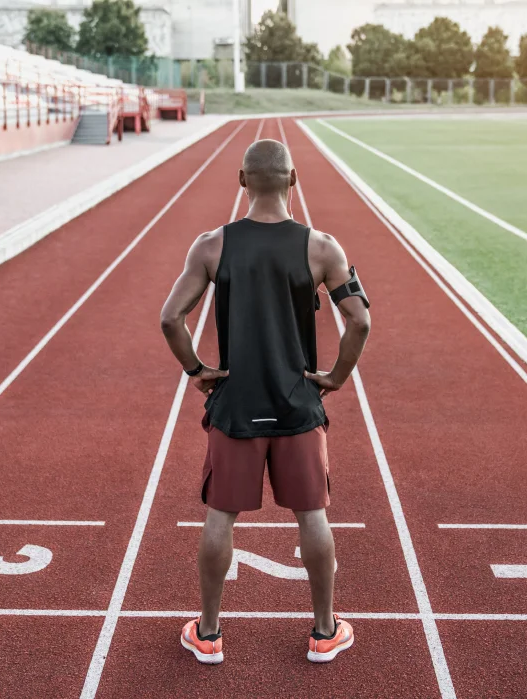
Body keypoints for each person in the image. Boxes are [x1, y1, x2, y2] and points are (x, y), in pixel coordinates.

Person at [160, 138, 370, 665]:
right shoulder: (322, 247)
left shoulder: (211, 245)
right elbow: (361, 321)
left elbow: (170, 319)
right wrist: (336, 378)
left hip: (236, 406)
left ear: (242, 180)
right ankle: (325, 632)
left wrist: (198, 371)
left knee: (220, 517)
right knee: (312, 517)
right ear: (293, 180)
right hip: (298, 404)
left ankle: (207, 634)